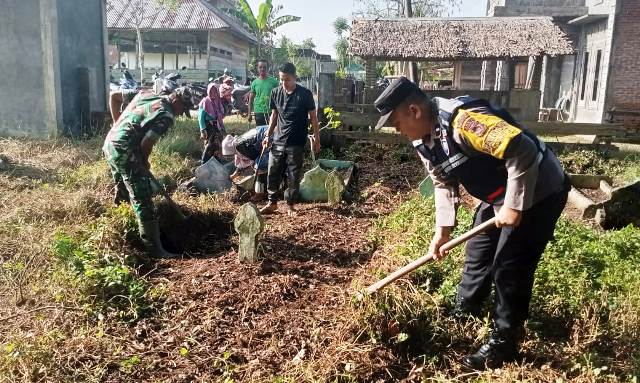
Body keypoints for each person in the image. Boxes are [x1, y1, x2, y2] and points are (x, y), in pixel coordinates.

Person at [373, 77, 570, 371]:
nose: (397, 130)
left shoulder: (463, 122)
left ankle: (505, 341)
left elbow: (523, 150)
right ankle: (466, 309)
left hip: (539, 189)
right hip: (497, 195)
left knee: (509, 263)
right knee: (478, 252)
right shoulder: (423, 140)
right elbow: (442, 181)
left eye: (396, 122)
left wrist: (514, 206)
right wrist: (442, 232)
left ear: (414, 111)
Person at [103, 87, 193, 259]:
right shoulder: (166, 115)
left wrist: (117, 127)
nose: (182, 114)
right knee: (142, 198)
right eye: (183, 109)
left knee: (123, 188)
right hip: (126, 152)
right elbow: (147, 143)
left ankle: (123, 230)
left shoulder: (147, 92)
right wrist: (143, 162)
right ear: (176, 101)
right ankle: (154, 249)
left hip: (111, 144)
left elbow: (114, 97)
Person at [260, 63, 320, 216]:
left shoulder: (305, 94)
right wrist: (268, 135)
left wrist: (317, 139)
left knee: (293, 174)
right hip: (278, 139)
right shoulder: (276, 92)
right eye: (281, 79)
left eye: (287, 79)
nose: (283, 83)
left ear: (294, 77)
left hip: (296, 141)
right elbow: (274, 116)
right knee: (273, 172)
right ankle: (272, 203)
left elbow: (313, 118)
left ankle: (291, 205)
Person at [222, 125, 271, 201]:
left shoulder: (239, 145)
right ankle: (265, 191)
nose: (230, 156)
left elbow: (256, 158)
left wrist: (253, 168)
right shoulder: (237, 143)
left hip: (268, 135)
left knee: (259, 166)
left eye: (229, 154)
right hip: (266, 132)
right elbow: (243, 166)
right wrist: (233, 176)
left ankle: (260, 193)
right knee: (260, 165)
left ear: (229, 149)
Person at [198, 83, 226, 164]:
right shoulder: (205, 101)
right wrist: (203, 130)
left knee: (217, 144)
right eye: (211, 92)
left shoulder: (217, 102)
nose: (213, 94)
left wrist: (222, 128)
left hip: (216, 126)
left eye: (215, 92)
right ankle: (204, 162)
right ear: (208, 92)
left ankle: (216, 161)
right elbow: (200, 118)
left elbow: (219, 117)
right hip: (208, 126)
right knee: (209, 144)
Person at [248, 59, 279, 126]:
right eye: (260, 67)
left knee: (272, 132)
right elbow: (251, 99)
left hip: (271, 112)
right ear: (257, 68)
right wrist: (249, 113)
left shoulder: (274, 82)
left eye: (264, 67)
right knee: (261, 132)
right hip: (258, 112)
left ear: (268, 68)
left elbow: (279, 98)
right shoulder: (254, 83)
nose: (262, 69)